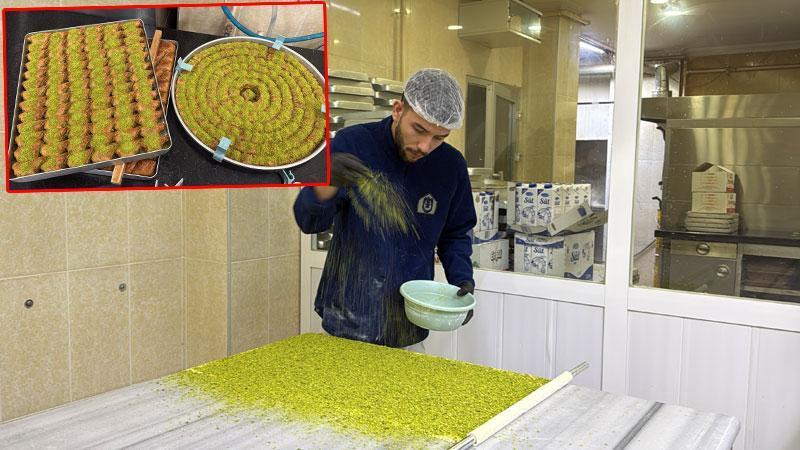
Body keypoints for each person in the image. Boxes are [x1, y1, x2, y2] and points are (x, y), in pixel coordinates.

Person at [293, 68, 476, 349]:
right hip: (347, 314)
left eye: (439, 137)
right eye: (419, 129)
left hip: (407, 323)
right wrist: (327, 183)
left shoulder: (450, 166)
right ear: (397, 109)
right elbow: (308, 222)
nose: (425, 146)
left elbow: (456, 234)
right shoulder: (353, 144)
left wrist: (462, 280)